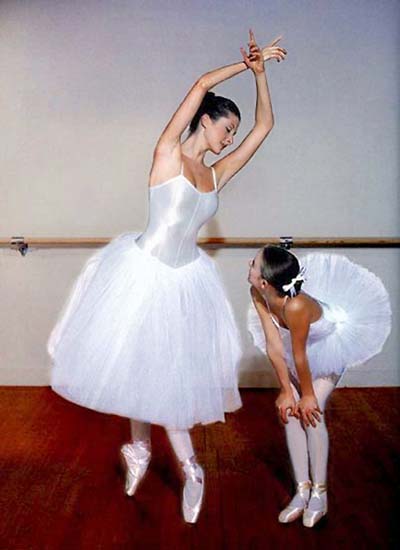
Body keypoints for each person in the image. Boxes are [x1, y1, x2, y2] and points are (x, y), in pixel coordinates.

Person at [48, 31, 287, 523]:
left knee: (160, 369)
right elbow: (200, 84)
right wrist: (243, 65)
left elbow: (266, 126)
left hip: (184, 282)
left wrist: (262, 76)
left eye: (233, 134)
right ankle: (178, 463)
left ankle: (158, 456)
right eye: (227, 129)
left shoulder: (216, 174)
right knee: (143, 366)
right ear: (206, 120)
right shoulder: (167, 154)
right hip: (142, 273)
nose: (230, 139)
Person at [248, 246, 391, 527]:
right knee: (290, 413)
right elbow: (274, 345)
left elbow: (300, 355)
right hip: (301, 349)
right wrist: (286, 392)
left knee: (311, 413)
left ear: (265, 281)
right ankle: (302, 490)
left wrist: (308, 396)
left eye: (253, 263)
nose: (248, 265)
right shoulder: (257, 293)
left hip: (330, 344)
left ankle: (319, 493)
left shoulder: (296, 306)